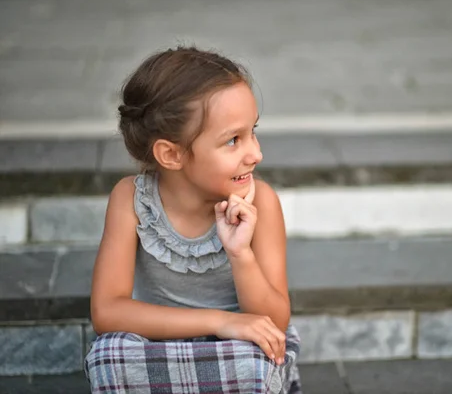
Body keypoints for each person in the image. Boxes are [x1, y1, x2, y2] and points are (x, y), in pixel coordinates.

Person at [84, 46, 302, 393]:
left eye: (253, 132)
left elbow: (274, 320)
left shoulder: (263, 203)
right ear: (172, 154)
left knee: (256, 360)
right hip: (161, 340)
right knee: (108, 355)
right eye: (233, 140)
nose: (256, 153)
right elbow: (107, 312)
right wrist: (221, 321)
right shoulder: (131, 199)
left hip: (239, 346)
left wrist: (240, 254)